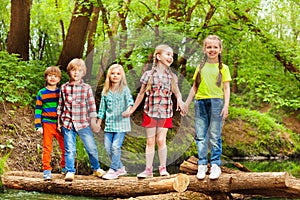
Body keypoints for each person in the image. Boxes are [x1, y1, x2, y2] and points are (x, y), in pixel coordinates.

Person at [123, 44, 185, 178]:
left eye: (171, 55)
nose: (171, 57)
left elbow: (177, 93)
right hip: (150, 112)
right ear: (158, 56)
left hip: (166, 112)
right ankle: (148, 170)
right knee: (150, 141)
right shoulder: (148, 75)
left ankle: (163, 168)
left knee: (161, 140)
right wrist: (132, 109)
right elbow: (140, 94)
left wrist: (180, 101)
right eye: (167, 54)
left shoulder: (172, 77)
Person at [183, 35, 231, 180]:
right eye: (209, 47)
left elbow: (227, 88)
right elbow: (195, 87)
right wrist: (186, 103)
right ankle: (202, 164)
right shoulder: (200, 67)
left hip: (217, 102)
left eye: (215, 47)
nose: (212, 49)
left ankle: (215, 164)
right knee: (201, 135)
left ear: (220, 49)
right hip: (200, 103)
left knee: (215, 135)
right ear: (204, 49)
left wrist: (226, 106)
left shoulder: (224, 68)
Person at [57, 58, 105, 181]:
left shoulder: (86, 88)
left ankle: (96, 168)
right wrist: (59, 122)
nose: (76, 73)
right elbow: (61, 105)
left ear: (83, 72)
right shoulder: (64, 88)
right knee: (70, 149)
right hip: (67, 123)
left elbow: (91, 106)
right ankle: (70, 171)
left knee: (91, 148)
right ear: (69, 72)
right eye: (73, 70)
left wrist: (93, 122)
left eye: (79, 70)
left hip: (83, 123)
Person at [95, 64, 134, 180]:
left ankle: (113, 170)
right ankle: (120, 168)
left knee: (116, 147)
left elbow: (130, 102)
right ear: (109, 76)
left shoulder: (124, 90)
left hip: (121, 124)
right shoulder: (106, 91)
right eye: (113, 73)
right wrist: (98, 122)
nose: (115, 76)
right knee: (108, 148)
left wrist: (128, 110)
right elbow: (102, 109)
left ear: (122, 76)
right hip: (109, 125)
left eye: (118, 74)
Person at [34, 66, 65, 181]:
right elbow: (38, 110)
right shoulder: (41, 93)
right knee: (47, 147)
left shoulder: (61, 92)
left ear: (59, 79)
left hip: (60, 124)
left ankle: (64, 167)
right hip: (47, 123)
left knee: (65, 146)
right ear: (46, 77)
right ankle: (47, 170)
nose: (53, 78)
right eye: (50, 75)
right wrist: (38, 125)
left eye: (55, 76)